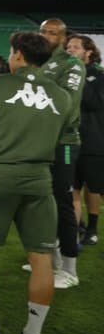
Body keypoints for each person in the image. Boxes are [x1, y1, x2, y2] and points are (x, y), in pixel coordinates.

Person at [0, 31, 70, 334]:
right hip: (40, 180)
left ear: (20, 55)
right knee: (41, 257)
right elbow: (66, 142)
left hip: (0, 174)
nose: (9, 58)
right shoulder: (62, 95)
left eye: (11, 53)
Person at [37, 17, 85, 289]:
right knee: (45, 201)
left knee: (64, 202)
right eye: (43, 31)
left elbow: (66, 102)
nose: (46, 36)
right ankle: (52, 262)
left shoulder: (71, 64)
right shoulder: (40, 62)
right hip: (41, 141)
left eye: (53, 33)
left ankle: (70, 268)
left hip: (64, 142)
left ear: (63, 38)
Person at [68, 33, 102, 246]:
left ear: (88, 52)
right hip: (70, 141)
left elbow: (92, 102)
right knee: (73, 189)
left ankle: (92, 228)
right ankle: (75, 228)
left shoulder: (99, 76)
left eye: (75, 47)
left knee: (95, 188)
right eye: (68, 47)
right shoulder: (68, 75)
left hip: (94, 141)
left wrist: (78, 75)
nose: (70, 50)